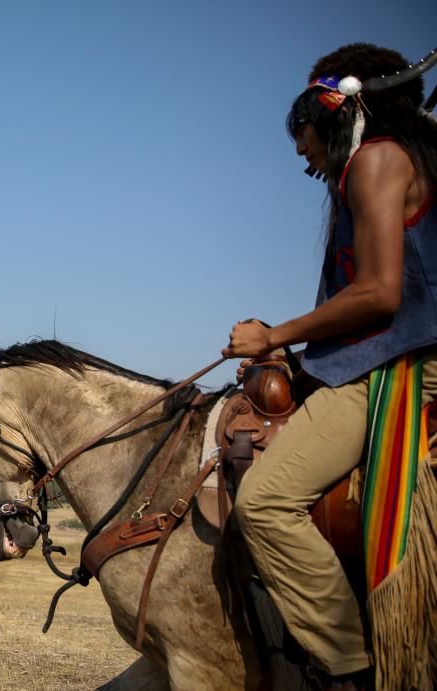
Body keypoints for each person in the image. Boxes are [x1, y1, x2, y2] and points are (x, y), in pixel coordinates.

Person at [223, 43, 437, 690]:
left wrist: (272, 336)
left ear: (336, 113)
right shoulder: (409, 160)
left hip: (397, 375)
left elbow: (379, 293)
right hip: (387, 357)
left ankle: (349, 664)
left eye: (304, 132)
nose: (300, 152)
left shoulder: (375, 161)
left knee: (262, 501)